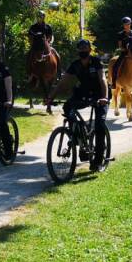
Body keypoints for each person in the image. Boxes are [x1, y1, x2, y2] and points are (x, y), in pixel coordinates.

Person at [46, 39, 109, 170]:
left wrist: (104, 97)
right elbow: (62, 82)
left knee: (99, 124)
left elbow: (102, 79)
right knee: (68, 107)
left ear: (90, 50)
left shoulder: (96, 62)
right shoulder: (75, 65)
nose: (83, 51)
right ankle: (79, 136)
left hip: (99, 94)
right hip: (84, 93)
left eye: (85, 49)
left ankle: (98, 161)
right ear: (78, 51)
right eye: (80, 49)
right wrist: (51, 98)